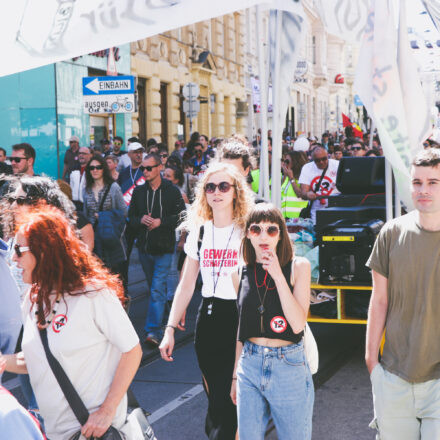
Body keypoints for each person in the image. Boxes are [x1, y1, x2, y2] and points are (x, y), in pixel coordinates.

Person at [1, 205, 142, 440]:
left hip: (93, 431)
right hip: (56, 433)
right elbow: (38, 357)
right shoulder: (31, 299)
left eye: (18, 249)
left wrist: (107, 411)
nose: (12, 258)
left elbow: (132, 350)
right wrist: (3, 361)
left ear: (44, 252)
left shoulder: (93, 293)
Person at [160, 162, 254, 440]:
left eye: (224, 186)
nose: (216, 192)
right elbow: (187, 283)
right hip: (208, 317)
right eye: (210, 187)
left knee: (235, 392)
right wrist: (169, 329)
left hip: (237, 317)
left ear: (236, 192)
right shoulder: (200, 231)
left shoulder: (246, 231)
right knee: (215, 395)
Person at [365, 148, 440, 439]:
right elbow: (379, 300)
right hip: (394, 375)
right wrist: (372, 362)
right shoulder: (391, 233)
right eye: (417, 182)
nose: (423, 190)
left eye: (433, 182)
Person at [231, 203, 313, 439]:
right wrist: (235, 376)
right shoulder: (239, 273)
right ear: (248, 234)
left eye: (272, 230)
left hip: (288, 364)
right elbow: (242, 328)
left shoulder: (298, 267)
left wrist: (278, 274)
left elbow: (298, 324)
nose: (263, 236)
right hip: (250, 364)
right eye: (256, 229)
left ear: (281, 234)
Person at [128, 153, 186, 346]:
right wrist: (140, 220)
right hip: (145, 248)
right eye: (143, 168)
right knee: (155, 286)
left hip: (164, 247)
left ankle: (153, 330)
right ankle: (169, 317)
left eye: (149, 168)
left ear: (159, 167)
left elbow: (181, 216)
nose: (145, 171)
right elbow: (131, 218)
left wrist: (161, 222)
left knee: (157, 287)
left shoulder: (172, 191)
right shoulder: (139, 192)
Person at [83, 154, 128, 284]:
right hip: (95, 239)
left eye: (98, 167)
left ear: (104, 169)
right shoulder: (86, 190)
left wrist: (104, 216)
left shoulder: (114, 188)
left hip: (112, 237)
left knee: (116, 276)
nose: (95, 170)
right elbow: (86, 215)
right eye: (92, 168)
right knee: (100, 278)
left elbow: (124, 212)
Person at [299, 146, 340, 223]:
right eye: (317, 160)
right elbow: (303, 193)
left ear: (328, 155)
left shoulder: (337, 165)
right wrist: (308, 194)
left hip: (336, 209)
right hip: (316, 213)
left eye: (324, 159)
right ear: (312, 159)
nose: (321, 162)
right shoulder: (307, 168)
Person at [281, 151, 309, 218]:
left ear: (295, 162)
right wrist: (285, 175)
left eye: (287, 161)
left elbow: (300, 194)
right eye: (284, 161)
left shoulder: (303, 178)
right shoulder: (287, 178)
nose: (285, 164)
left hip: (298, 218)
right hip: (285, 217)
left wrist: (291, 178)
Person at [69, 146, 92, 211]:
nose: (81, 155)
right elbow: (71, 186)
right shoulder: (74, 168)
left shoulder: (93, 169)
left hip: (87, 205)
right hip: (74, 204)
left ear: (89, 156)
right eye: (79, 153)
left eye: (84, 153)